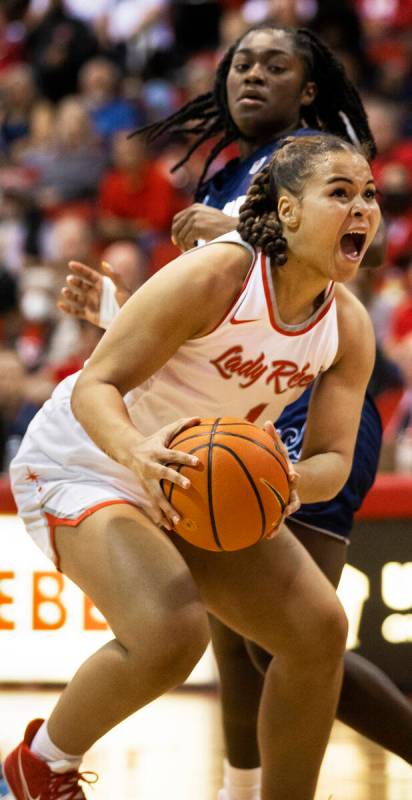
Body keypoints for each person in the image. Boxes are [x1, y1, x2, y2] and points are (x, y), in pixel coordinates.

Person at [58, 25, 412, 798]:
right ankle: (239, 786)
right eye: (241, 62)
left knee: (295, 633)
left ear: (309, 88)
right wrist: (122, 311)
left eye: (275, 65)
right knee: (233, 624)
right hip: (244, 401)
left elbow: (362, 253)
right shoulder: (231, 170)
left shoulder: (321, 159)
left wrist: (248, 234)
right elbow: (212, 319)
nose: (251, 75)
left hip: (308, 405)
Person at [4, 132, 380, 800]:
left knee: (317, 629)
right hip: (90, 457)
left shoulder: (348, 327)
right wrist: (137, 454)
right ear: (288, 211)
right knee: (170, 632)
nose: (363, 209)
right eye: (341, 192)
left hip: (193, 477)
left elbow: (331, 460)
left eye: (370, 196)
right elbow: (98, 386)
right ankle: (37, 767)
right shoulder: (218, 273)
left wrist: (284, 482)